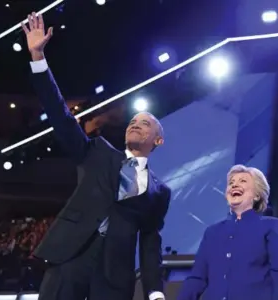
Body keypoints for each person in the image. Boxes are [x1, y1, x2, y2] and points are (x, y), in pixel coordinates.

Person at [21, 12, 170, 300]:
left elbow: (150, 242)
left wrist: (155, 292)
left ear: (158, 140)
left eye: (145, 123)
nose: (135, 124)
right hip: (70, 259)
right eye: (133, 121)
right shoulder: (98, 153)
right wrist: (38, 58)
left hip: (114, 275)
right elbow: (62, 118)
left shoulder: (159, 192)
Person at [177, 165, 278, 300]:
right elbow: (197, 279)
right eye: (231, 183)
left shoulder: (271, 226)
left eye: (242, 181)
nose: (234, 185)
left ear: (257, 195)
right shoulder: (212, 233)